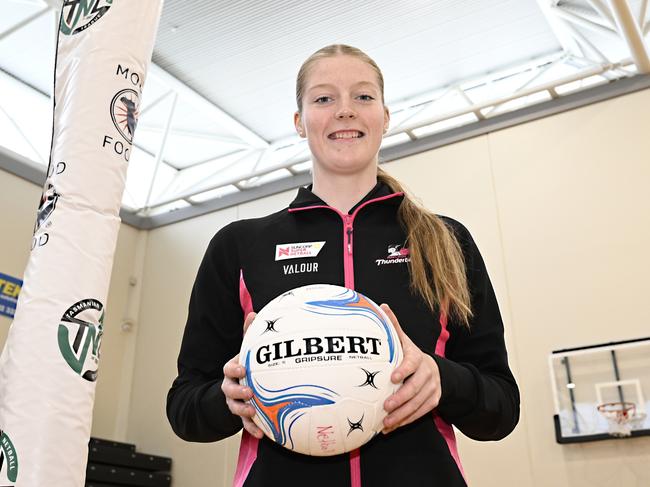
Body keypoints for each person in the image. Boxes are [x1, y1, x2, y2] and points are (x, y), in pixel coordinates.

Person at [167, 44, 520, 487]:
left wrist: (442, 379)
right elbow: (183, 407)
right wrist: (229, 398)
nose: (345, 112)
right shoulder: (239, 246)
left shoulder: (448, 241)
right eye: (323, 98)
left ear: (385, 117)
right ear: (299, 122)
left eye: (363, 97)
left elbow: (502, 407)